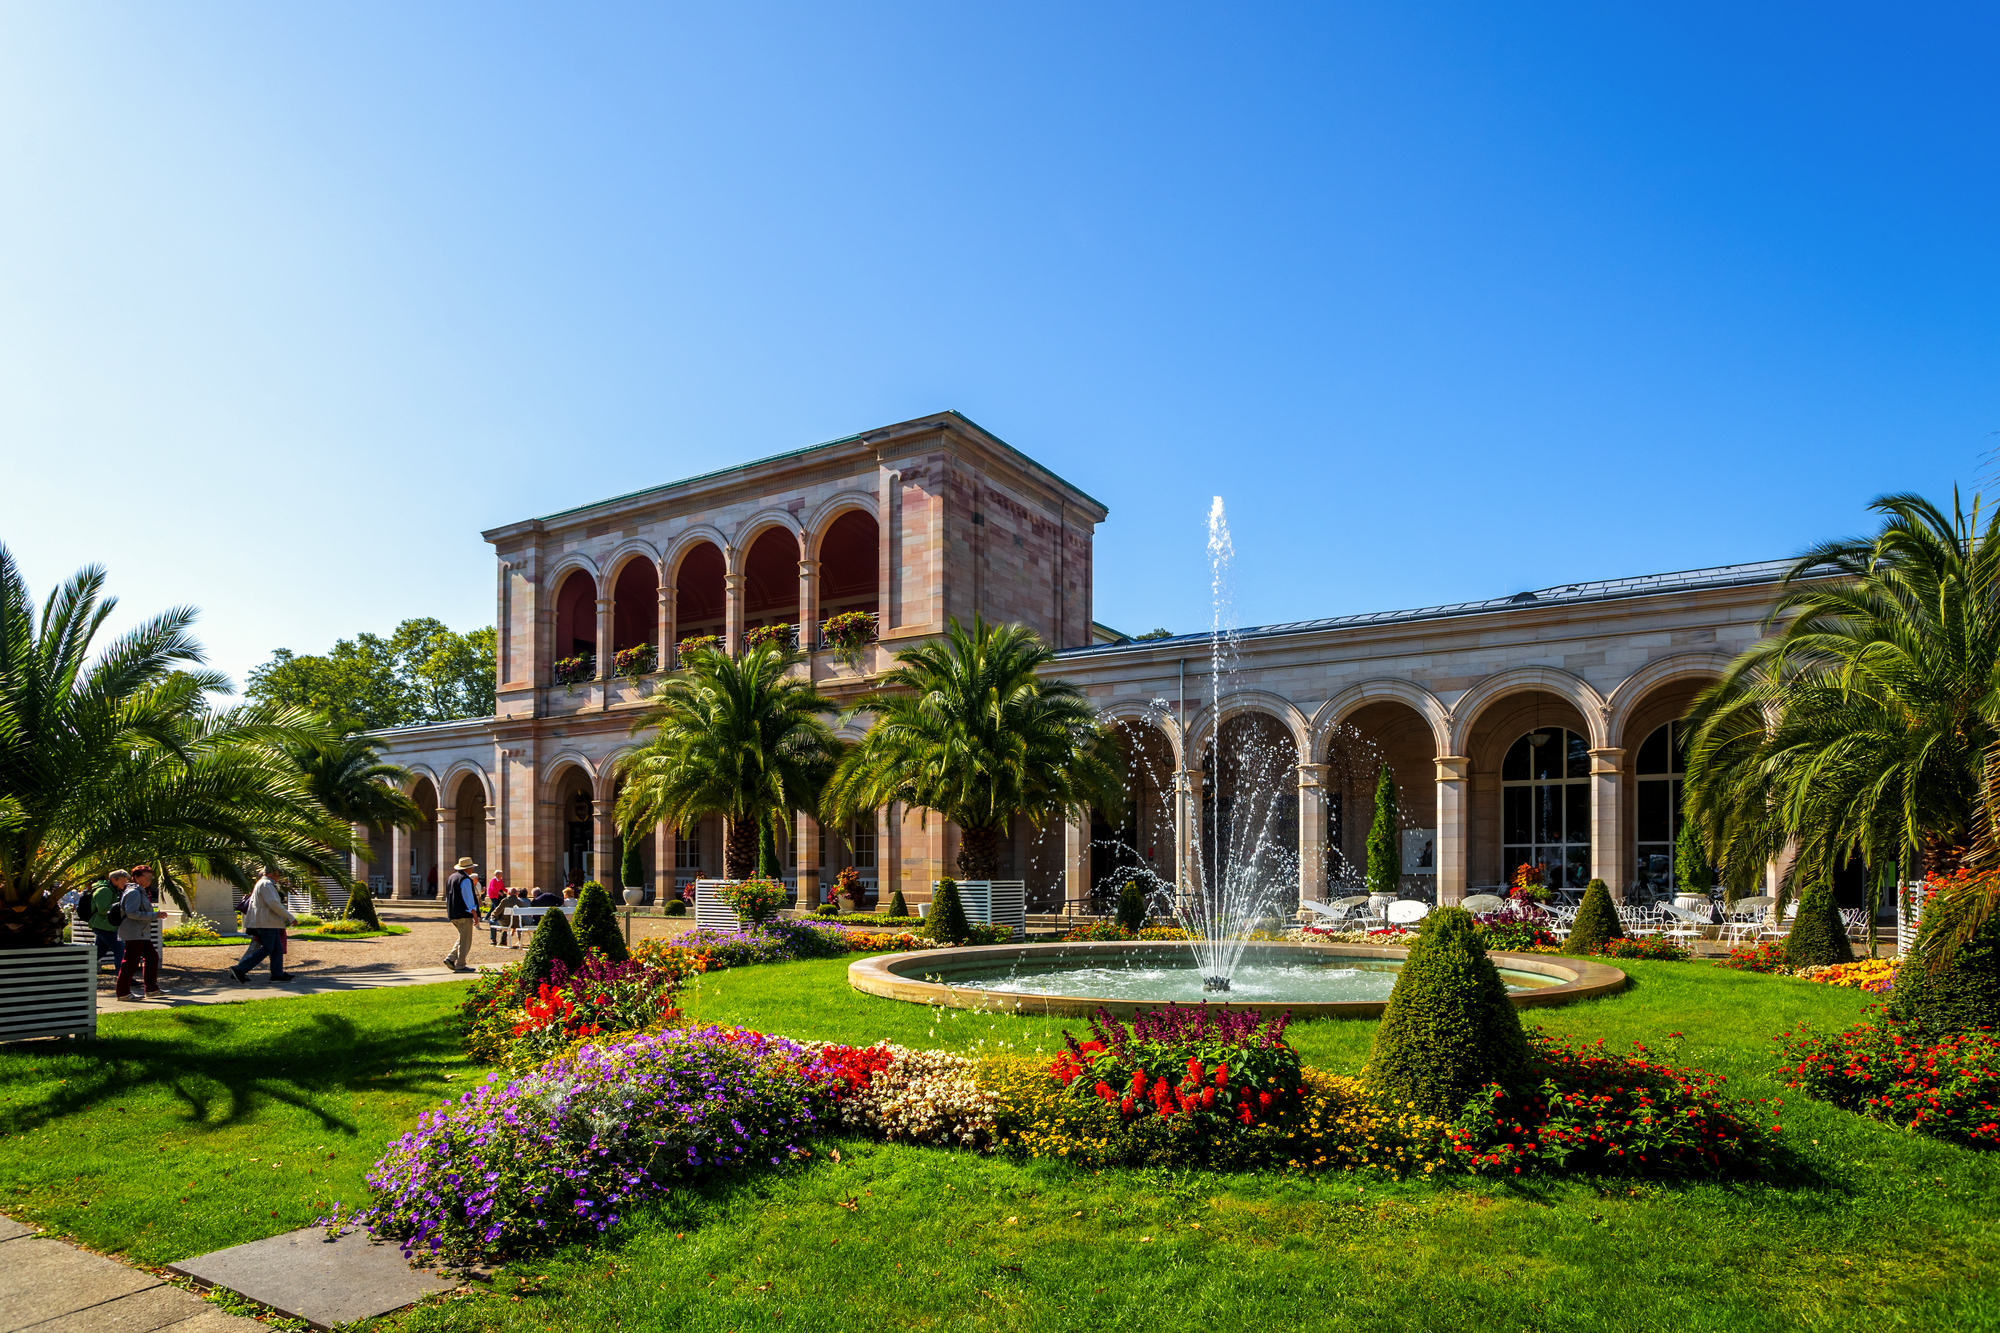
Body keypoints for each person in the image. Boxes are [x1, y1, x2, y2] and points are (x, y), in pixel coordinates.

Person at [229, 868, 297, 984]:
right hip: (267, 922)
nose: (279, 876)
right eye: (278, 874)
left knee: (277, 949)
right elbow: (273, 903)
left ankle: (277, 974)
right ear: (272, 873)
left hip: (269, 922)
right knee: (267, 948)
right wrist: (289, 916)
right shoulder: (266, 884)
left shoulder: (263, 883)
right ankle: (240, 968)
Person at [113, 868, 162, 999]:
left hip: (140, 932)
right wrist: (154, 915)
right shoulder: (134, 892)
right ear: (137, 877)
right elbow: (131, 913)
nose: (150, 880)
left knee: (152, 958)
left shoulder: (141, 892)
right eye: (147, 877)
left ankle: (151, 989)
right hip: (133, 932)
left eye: (151, 877)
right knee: (130, 962)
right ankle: (122, 992)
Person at [443, 855, 480, 971]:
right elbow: (468, 897)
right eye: (471, 867)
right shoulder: (465, 879)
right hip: (464, 913)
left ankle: (451, 958)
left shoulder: (451, 878)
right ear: (467, 869)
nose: (472, 869)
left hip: (453, 912)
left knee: (462, 937)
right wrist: (474, 912)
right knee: (466, 940)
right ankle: (460, 965)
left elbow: (448, 897)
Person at [83, 875, 123, 970]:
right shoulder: (104, 891)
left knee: (100, 952)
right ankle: (124, 979)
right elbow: (103, 909)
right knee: (120, 949)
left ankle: (79, 970)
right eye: (123, 880)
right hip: (103, 925)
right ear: (114, 880)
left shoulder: (111, 890)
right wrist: (121, 908)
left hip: (105, 925)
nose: (126, 882)